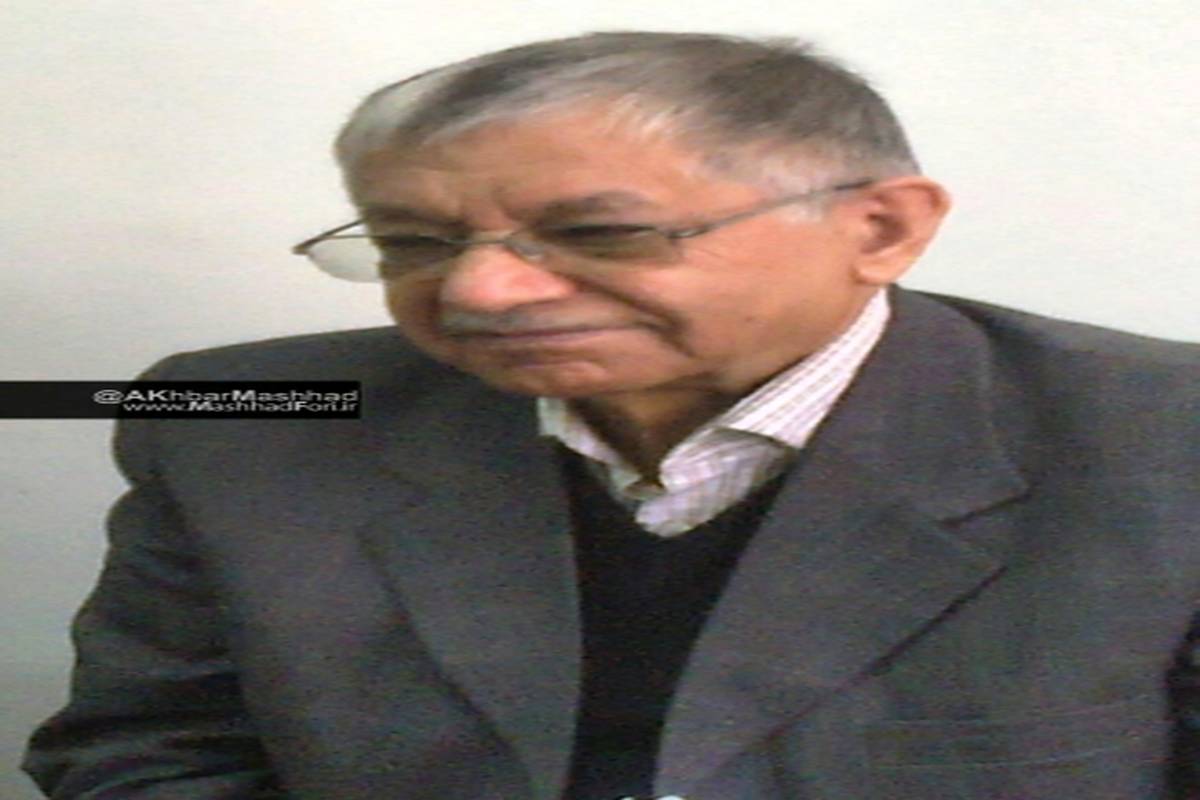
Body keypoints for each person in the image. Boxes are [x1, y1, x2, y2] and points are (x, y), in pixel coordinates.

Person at [23, 31, 1200, 800]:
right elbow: (146, 752)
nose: (483, 291)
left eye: (599, 233)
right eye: (414, 241)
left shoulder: (1163, 436)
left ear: (880, 228)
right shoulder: (245, 420)